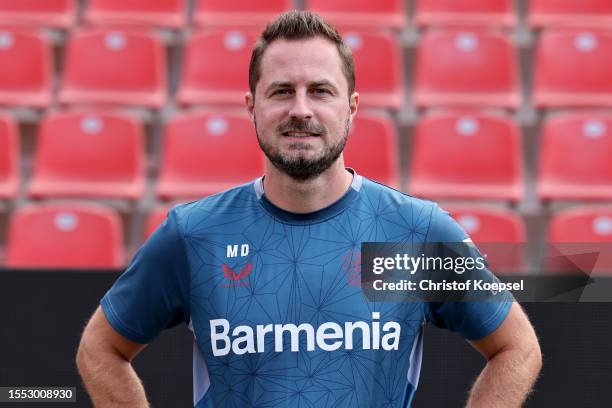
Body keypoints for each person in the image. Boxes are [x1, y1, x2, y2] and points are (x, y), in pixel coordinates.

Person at [76, 10, 541, 408]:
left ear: (352, 107)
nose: (301, 109)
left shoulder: (411, 232)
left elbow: (517, 348)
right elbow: (100, 349)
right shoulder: (194, 234)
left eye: (320, 90)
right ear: (251, 106)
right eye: (281, 92)